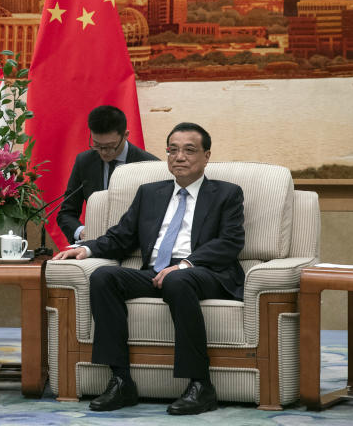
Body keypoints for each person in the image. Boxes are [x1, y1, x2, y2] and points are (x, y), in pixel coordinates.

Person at [53, 122, 244, 416]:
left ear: (206, 156)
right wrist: (87, 248)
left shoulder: (226, 194)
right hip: (155, 271)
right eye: (173, 150)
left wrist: (185, 264)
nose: (179, 157)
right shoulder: (150, 193)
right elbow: (121, 237)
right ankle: (120, 381)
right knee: (104, 277)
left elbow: (230, 243)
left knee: (178, 280)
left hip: (204, 271)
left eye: (189, 150)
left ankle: (200, 385)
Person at [56, 105, 158, 244]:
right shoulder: (84, 161)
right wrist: (80, 232)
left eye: (110, 146)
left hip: (133, 246)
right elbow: (66, 213)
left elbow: (155, 218)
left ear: (125, 135)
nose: (103, 152)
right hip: (94, 245)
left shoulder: (150, 165)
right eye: (97, 145)